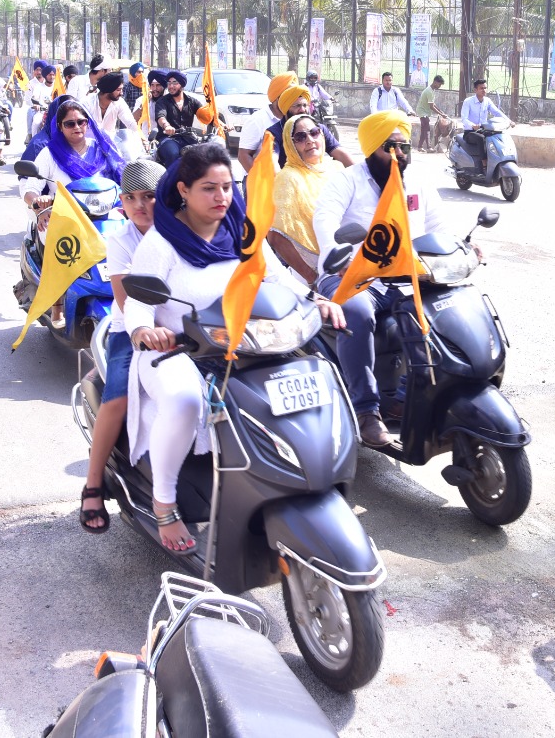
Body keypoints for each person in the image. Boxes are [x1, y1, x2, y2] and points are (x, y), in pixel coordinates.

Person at [124, 144, 345, 552]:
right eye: (209, 189)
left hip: (246, 344)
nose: (222, 197)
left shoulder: (240, 229)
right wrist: (143, 329)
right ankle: (165, 504)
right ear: (184, 190)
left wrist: (316, 300)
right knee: (187, 401)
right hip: (179, 350)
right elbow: (137, 302)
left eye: (227, 187)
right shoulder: (162, 241)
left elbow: (276, 276)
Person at [312, 111, 453, 445]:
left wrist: (461, 250)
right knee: (356, 313)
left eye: (404, 147)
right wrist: (340, 256)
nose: (399, 155)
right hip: (354, 275)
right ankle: (366, 411)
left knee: (447, 308)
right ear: (371, 148)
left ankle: (409, 395)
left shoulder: (417, 182)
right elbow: (325, 221)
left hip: (406, 276)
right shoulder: (348, 181)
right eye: (390, 147)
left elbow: (439, 227)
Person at [78, 156, 166, 534]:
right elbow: (127, 300)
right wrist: (146, 328)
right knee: (119, 397)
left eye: (149, 196)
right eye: (131, 198)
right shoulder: (120, 240)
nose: (141, 206)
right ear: (122, 203)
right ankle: (92, 483)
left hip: (190, 326)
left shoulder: (183, 230)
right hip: (131, 328)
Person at [18, 98, 127, 207]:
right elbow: (31, 189)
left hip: (106, 211)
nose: (77, 127)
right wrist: (38, 203)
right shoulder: (50, 153)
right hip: (64, 215)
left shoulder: (104, 149)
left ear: (88, 123)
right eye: (70, 124)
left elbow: (122, 176)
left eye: (81, 122)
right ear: (60, 126)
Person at [268, 113, 335, 283]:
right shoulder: (288, 177)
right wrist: (312, 278)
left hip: (345, 266)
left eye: (314, 132)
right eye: (300, 137)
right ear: (290, 145)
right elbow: (276, 236)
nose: (310, 140)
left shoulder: (333, 168)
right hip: (314, 276)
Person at [264, 83, 352, 168]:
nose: (302, 109)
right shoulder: (273, 133)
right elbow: (272, 162)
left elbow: (339, 153)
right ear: (286, 108)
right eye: (297, 106)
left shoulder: (318, 129)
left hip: (316, 178)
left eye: (305, 105)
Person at [237, 72, 297, 171]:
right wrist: (260, 181)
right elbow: (243, 156)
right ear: (277, 97)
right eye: (288, 96)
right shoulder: (257, 120)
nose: (291, 100)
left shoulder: (295, 119)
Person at [458, 78, 510, 171]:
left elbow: (497, 112)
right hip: (470, 132)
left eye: (485, 88)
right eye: (481, 88)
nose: (484, 90)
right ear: (475, 90)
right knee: (481, 138)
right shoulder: (468, 101)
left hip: (483, 130)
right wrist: (472, 125)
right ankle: (484, 164)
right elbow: (464, 119)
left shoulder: (487, 101)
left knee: (497, 137)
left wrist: (509, 121)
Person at [153, 70, 202, 165]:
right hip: (168, 139)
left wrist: (221, 125)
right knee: (173, 154)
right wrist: (166, 126)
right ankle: (171, 179)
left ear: (182, 85)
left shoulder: (191, 101)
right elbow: (161, 116)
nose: (171, 86)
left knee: (203, 155)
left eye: (175, 83)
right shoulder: (162, 101)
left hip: (189, 138)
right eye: (169, 83)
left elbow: (205, 115)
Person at [93, 71, 137, 139]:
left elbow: (131, 123)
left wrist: (142, 139)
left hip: (109, 146)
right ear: (109, 89)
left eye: (121, 89)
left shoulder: (119, 102)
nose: (121, 93)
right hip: (89, 146)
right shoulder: (87, 103)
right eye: (118, 90)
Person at [415, 75, 448, 152]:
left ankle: (420, 147)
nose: (439, 86)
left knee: (424, 129)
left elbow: (433, 104)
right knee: (427, 128)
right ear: (435, 82)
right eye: (439, 84)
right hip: (422, 111)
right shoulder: (429, 91)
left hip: (424, 111)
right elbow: (431, 107)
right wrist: (441, 114)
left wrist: (440, 111)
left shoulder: (432, 90)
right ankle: (429, 147)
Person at [25, 60, 54, 141]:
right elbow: (31, 99)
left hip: (55, 111)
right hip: (40, 111)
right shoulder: (35, 86)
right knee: (36, 123)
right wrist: (36, 105)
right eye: (37, 70)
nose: (39, 72)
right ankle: (32, 140)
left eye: (52, 75)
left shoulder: (56, 85)